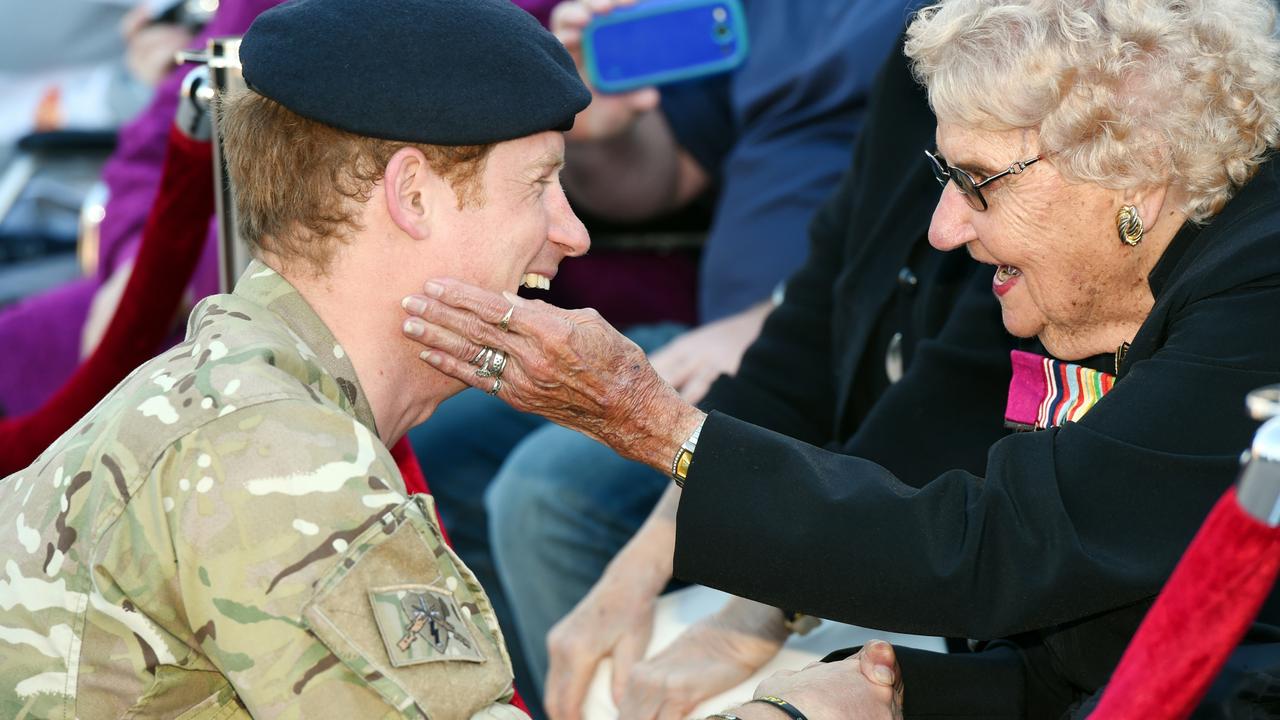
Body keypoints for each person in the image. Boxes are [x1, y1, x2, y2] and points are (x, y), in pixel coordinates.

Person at [398, 0, 1280, 715]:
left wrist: (652, 422)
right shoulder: (1111, 270)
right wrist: (893, 695)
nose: (944, 228)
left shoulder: (1259, 288)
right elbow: (1082, 643)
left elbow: (1007, 551)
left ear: (1135, 167)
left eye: (976, 183)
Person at [0, 0, 601, 714]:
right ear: (412, 195)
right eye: (538, 183)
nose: (573, 233)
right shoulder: (274, 456)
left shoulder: (247, 393)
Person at [409, 0, 915, 703]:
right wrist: (596, 127)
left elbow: (921, 217)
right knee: (441, 445)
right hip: (721, 338)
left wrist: (770, 314)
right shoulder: (764, 13)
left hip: (815, 344)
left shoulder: (929, 27)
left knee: (547, 493)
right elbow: (661, 178)